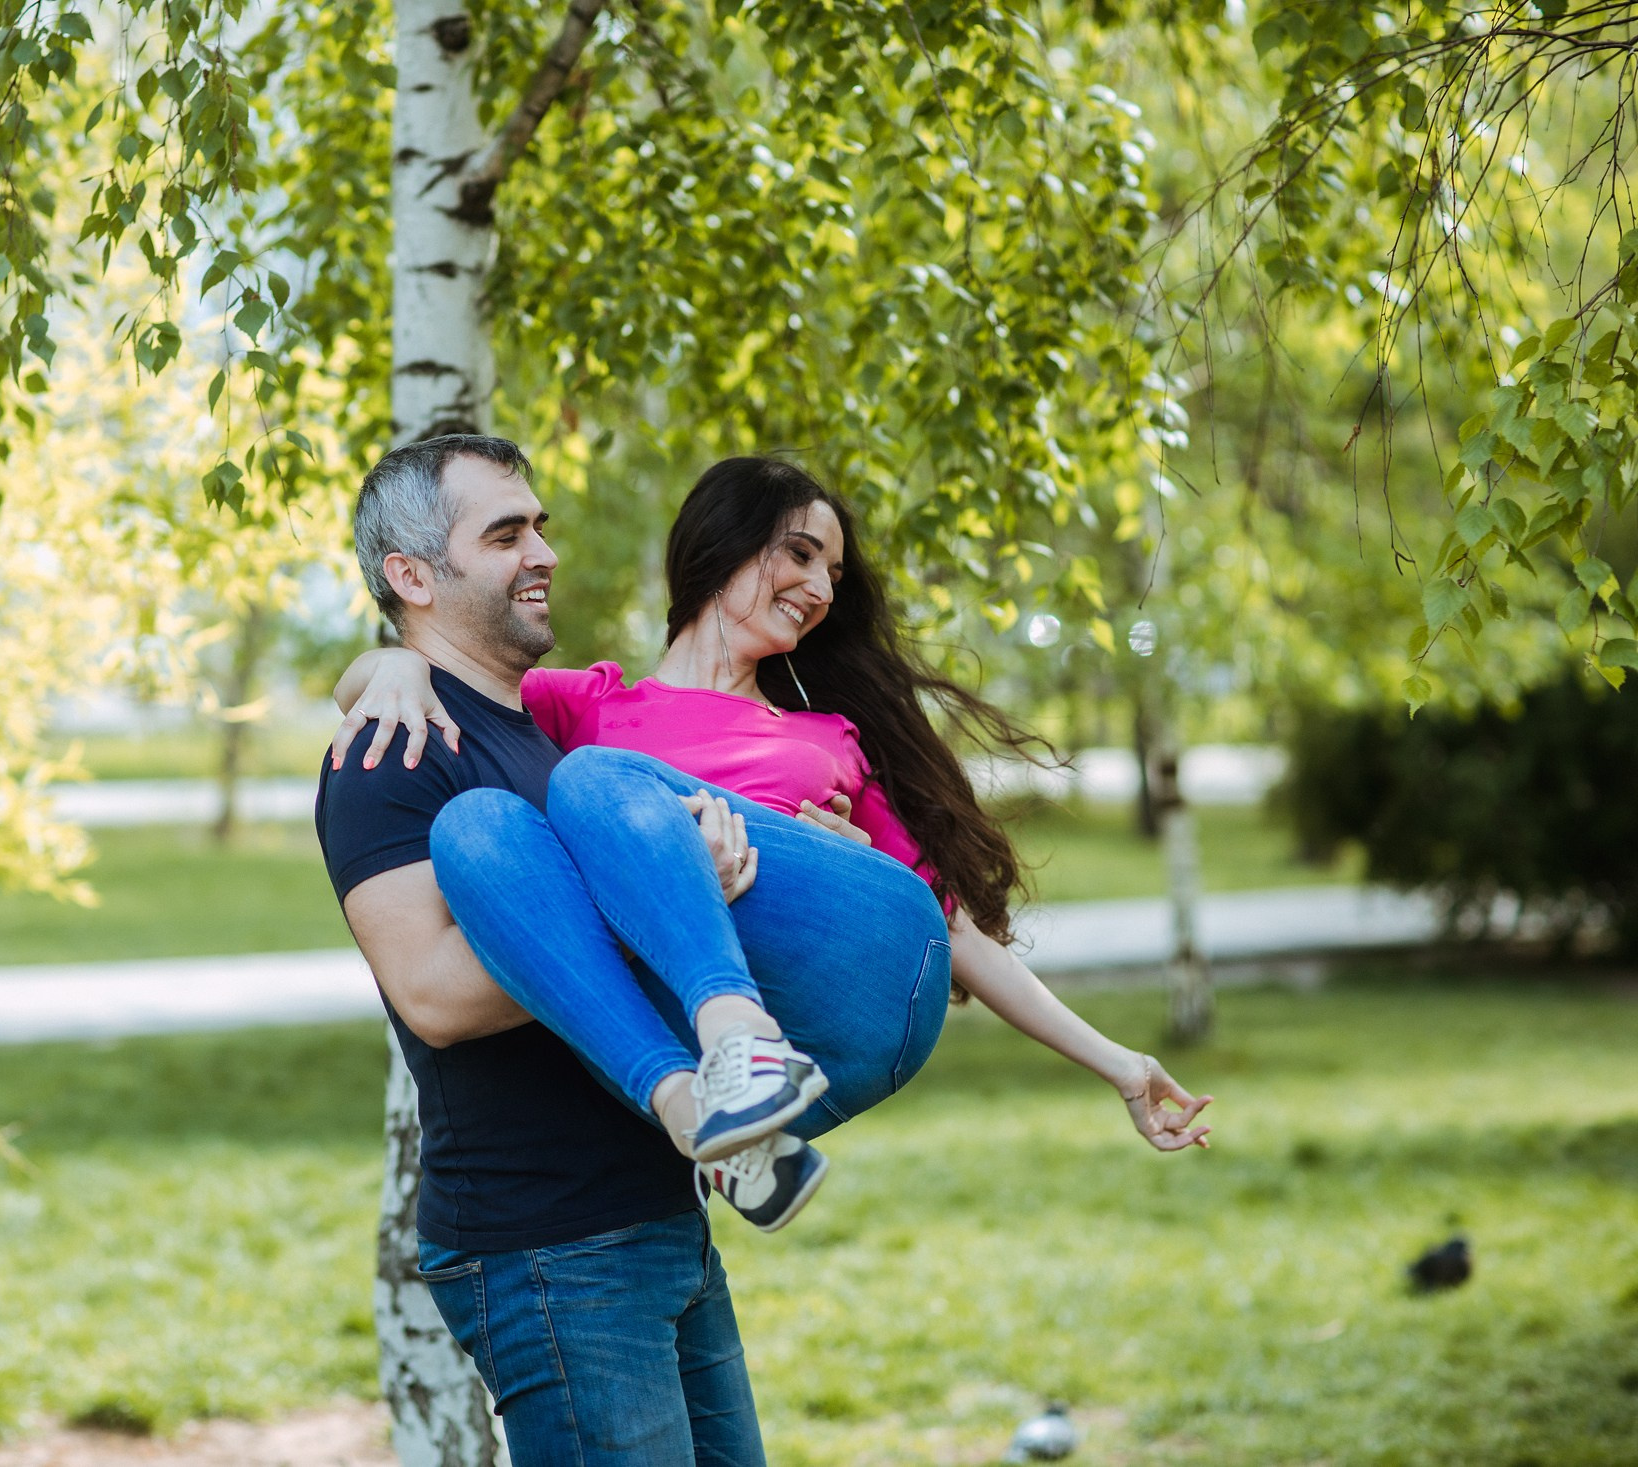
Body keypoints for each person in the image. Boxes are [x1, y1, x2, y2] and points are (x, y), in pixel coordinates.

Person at [332, 455, 1213, 1232]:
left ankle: (740, 1040)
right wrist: (397, 664)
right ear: (725, 544)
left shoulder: (827, 737)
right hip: (675, 1040)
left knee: (594, 781)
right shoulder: (593, 704)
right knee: (479, 828)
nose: (822, 588)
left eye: (833, 570)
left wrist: (1121, 1064)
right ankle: (706, 1116)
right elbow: (440, 677)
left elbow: (955, 932)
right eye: (799, 554)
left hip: (856, 989)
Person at [315, 435, 769, 1466]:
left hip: (657, 1209)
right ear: (412, 575)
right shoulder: (390, 753)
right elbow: (430, 993)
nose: (543, 552)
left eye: (540, 528)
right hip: (549, 1246)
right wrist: (641, 907)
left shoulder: (542, 734)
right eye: (505, 532)